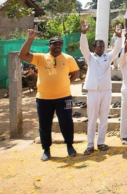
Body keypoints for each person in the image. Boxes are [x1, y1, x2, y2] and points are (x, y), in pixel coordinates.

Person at [19, 26, 80, 161]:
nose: (58, 46)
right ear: (49, 45)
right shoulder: (41, 58)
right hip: (43, 98)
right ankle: (46, 149)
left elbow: (76, 72)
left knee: (66, 122)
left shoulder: (68, 58)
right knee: (44, 124)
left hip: (64, 97)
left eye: (60, 44)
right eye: (55, 44)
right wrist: (30, 39)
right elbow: (22, 55)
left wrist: (67, 82)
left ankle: (70, 146)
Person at [80, 18, 122, 156]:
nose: (102, 48)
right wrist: (84, 34)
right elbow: (83, 47)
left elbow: (116, 50)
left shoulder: (108, 57)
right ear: (94, 48)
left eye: (103, 46)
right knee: (92, 119)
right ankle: (90, 145)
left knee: (103, 118)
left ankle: (101, 142)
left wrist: (119, 36)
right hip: (92, 91)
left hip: (106, 90)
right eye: (99, 46)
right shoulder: (90, 57)